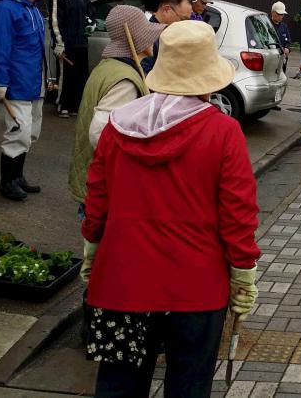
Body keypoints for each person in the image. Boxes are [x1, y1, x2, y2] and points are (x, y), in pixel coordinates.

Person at [83, 21, 260, 398]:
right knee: (189, 386)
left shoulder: (118, 127)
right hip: (196, 287)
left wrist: (92, 248)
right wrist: (243, 272)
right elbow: (238, 214)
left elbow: (97, 198)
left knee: (119, 386)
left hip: (122, 282)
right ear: (208, 76)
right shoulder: (223, 132)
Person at [68, 5, 163, 280]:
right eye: (148, 35)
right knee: (106, 263)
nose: (153, 40)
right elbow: (101, 133)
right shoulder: (125, 80)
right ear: (136, 39)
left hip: (93, 178)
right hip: (107, 185)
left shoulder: (109, 67)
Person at [0, 0, 50, 202]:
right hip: (16, 82)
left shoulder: (31, 7)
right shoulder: (5, 9)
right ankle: (7, 181)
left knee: (31, 132)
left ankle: (18, 176)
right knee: (18, 132)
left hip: (34, 82)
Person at [51, 0, 94, 118]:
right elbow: (56, 21)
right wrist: (59, 43)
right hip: (66, 44)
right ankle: (63, 104)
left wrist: (92, 24)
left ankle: (76, 105)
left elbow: (91, 14)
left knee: (81, 75)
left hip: (82, 42)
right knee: (66, 75)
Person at [139, 0, 193, 74]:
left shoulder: (167, 31)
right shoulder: (149, 37)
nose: (184, 23)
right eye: (183, 19)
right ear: (167, 10)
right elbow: (145, 74)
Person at [270, 1, 291, 74]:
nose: (281, 16)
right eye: (279, 14)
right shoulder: (267, 25)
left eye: (283, 14)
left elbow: (288, 40)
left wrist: (287, 48)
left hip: (283, 58)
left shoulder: (284, 26)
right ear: (272, 12)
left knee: (282, 76)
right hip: (271, 58)